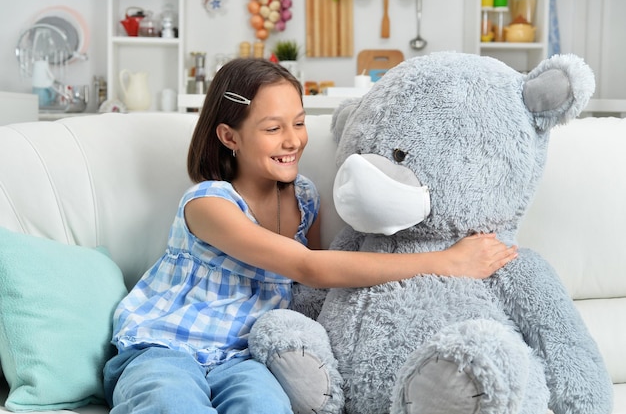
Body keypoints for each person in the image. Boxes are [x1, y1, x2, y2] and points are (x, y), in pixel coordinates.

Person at [103, 58, 518, 414]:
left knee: (264, 405)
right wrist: (446, 261)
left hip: (244, 356)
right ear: (230, 137)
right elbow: (309, 267)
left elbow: (311, 293)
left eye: (299, 123)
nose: (292, 140)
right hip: (165, 347)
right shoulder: (208, 203)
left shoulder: (305, 197)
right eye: (272, 129)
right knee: (170, 402)